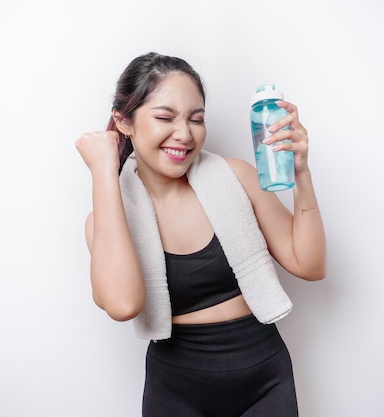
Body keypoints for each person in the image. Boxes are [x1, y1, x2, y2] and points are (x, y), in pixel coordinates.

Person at [75, 52, 327, 417]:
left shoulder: (236, 177)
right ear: (124, 122)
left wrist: (301, 173)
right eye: (164, 117)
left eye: (196, 119)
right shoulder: (106, 223)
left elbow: (310, 264)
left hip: (265, 379)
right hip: (176, 390)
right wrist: (103, 170)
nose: (184, 133)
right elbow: (123, 304)